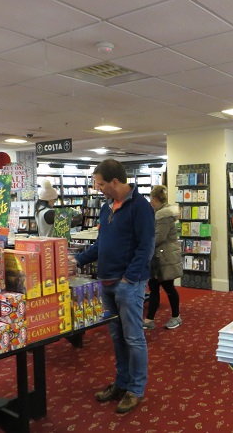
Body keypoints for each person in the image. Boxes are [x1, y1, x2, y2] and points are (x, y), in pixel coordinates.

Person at [73, 159, 155, 414]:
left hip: (127, 284)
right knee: (117, 337)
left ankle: (136, 389)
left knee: (134, 338)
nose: (97, 188)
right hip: (106, 281)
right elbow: (101, 243)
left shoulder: (140, 207)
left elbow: (146, 248)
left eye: (100, 184)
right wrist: (78, 260)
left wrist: (129, 278)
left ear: (115, 182)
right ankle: (122, 383)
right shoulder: (106, 207)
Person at [143, 185, 183, 330]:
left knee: (167, 286)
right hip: (160, 255)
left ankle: (176, 316)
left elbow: (159, 237)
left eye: (151, 199)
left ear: (155, 199)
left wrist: (143, 243)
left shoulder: (162, 215)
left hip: (164, 257)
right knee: (155, 286)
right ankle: (149, 320)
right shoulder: (162, 213)